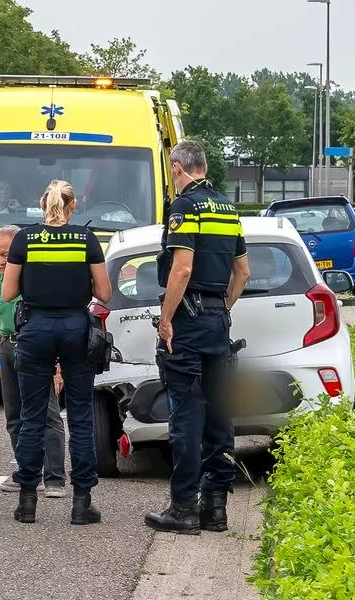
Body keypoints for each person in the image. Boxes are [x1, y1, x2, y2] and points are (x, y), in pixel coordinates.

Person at [144, 140, 251, 535]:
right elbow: (242, 272)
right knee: (220, 416)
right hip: (216, 325)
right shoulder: (228, 208)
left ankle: (183, 509)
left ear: (176, 168)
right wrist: (223, 308)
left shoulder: (185, 207)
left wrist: (166, 320)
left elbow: (182, 269)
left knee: (186, 418)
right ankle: (216, 509)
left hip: (187, 323)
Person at [1, 179, 111, 525]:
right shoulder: (86, 239)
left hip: (35, 329)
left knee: (33, 416)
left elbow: (7, 293)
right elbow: (105, 292)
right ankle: (82, 503)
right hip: (76, 329)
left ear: (41, 203)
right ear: (73, 206)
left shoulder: (24, 239)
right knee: (79, 417)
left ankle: (28, 502)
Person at [0, 224, 67, 498]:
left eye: (5, 254)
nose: (1, 260)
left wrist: (57, 367)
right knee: (14, 415)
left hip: (36, 348)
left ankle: (55, 478)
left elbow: (55, 325)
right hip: (9, 348)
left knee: (48, 415)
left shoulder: (36, 279)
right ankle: (27, 472)